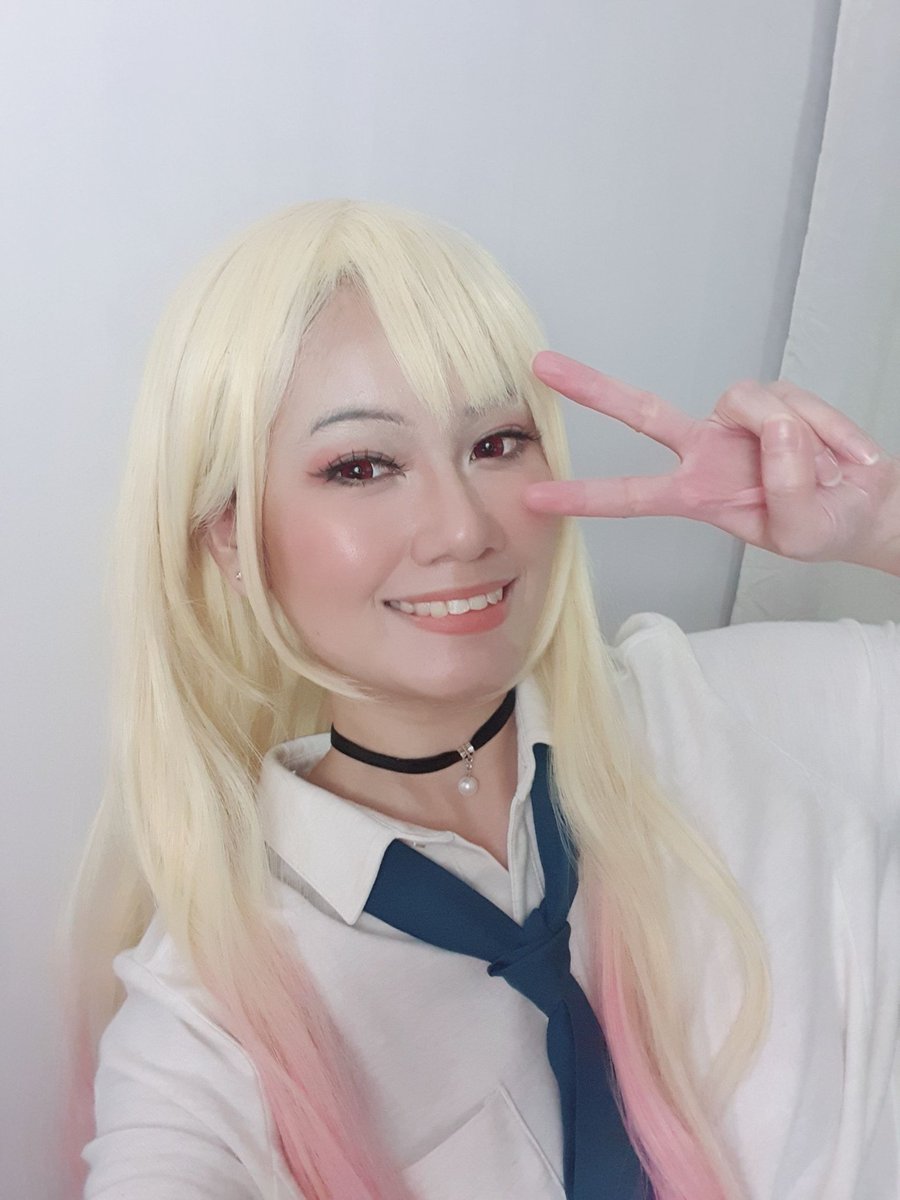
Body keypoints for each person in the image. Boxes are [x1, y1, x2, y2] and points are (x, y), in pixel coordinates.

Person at [64, 199, 899, 1200]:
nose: (462, 529)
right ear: (231, 541)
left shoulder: (720, 713)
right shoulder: (206, 1021)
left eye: (497, 443)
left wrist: (886, 527)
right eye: (362, 466)